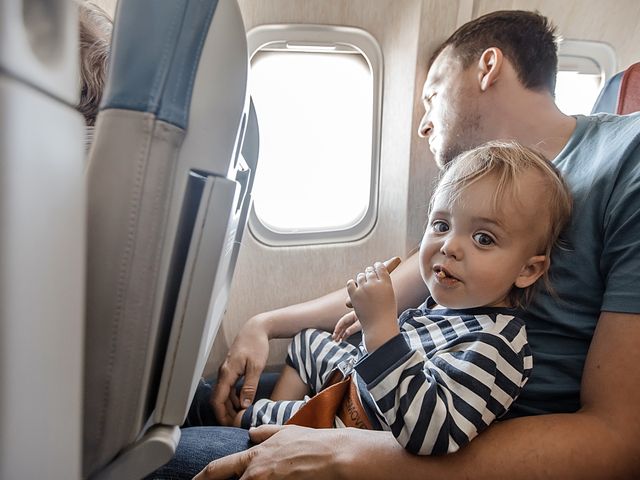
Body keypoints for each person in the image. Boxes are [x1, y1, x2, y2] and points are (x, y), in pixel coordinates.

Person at [151, 9, 640, 479]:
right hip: (386, 398)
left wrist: (347, 454)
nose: (424, 124)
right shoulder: (472, 209)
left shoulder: (627, 158)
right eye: (442, 226)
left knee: (150, 459)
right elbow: (389, 287)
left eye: (431, 97)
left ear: (487, 67)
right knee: (170, 402)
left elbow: (620, 443)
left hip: (446, 434)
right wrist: (265, 323)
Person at [232, 141, 572, 457]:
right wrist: (371, 322)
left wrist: (380, 331)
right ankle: (290, 421)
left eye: (483, 238)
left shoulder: (497, 346)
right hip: (359, 388)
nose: (449, 246)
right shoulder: (449, 307)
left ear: (527, 270)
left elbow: (428, 431)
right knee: (307, 343)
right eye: (441, 225)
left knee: (243, 415)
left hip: (361, 426)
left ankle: (272, 429)